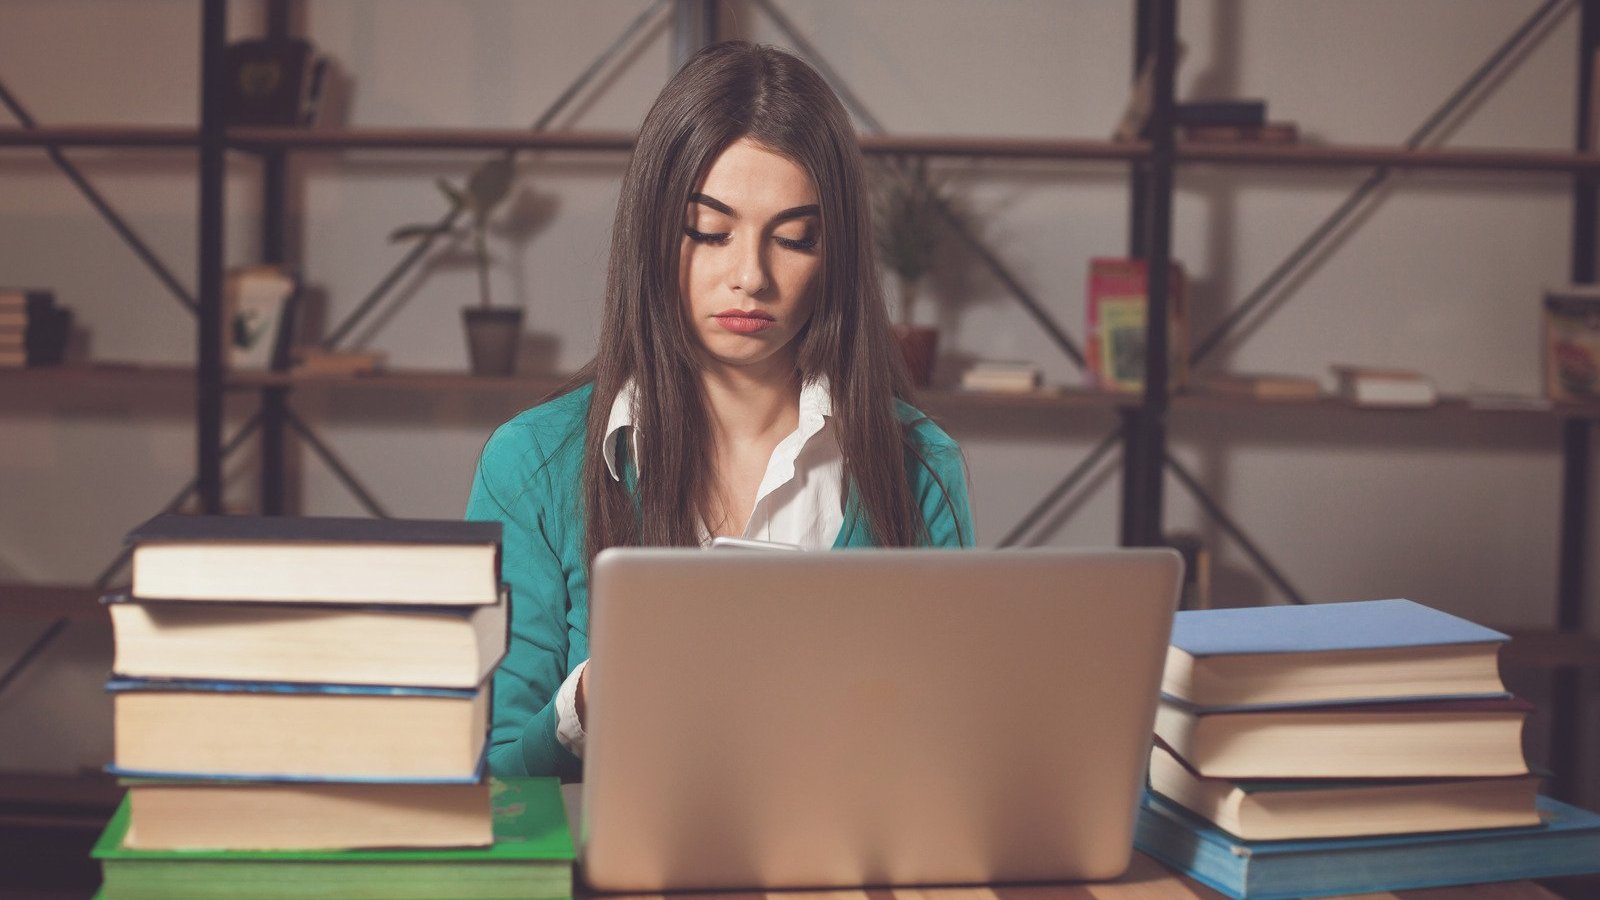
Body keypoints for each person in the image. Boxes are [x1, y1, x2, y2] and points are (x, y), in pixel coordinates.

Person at [465, 41, 975, 779]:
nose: (750, 276)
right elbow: (493, 776)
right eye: (709, 231)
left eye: (794, 238)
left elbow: (948, 756)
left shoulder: (920, 464)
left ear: (834, 255)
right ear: (651, 232)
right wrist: (592, 699)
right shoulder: (532, 464)